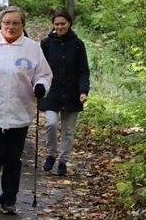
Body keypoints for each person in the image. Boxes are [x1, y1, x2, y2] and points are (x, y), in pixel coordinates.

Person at [0, 6, 53, 214]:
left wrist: (41, 86)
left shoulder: (32, 48)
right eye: (7, 22)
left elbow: (44, 75)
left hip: (19, 112)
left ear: (23, 25)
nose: (11, 27)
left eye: (16, 23)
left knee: (13, 158)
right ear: (0, 24)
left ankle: (8, 199)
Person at [40, 10, 90, 176]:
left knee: (68, 130)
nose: (60, 27)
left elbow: (83, 70)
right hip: (51, 91)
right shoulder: (46, 43)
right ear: (53, 25)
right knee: (51, 123)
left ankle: (63, 160)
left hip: (72, 92)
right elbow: (39, 68)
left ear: (69, 24)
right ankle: (50, 154)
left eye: (63, 23)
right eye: (57, 24)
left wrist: (83, 90)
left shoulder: (77, 44)